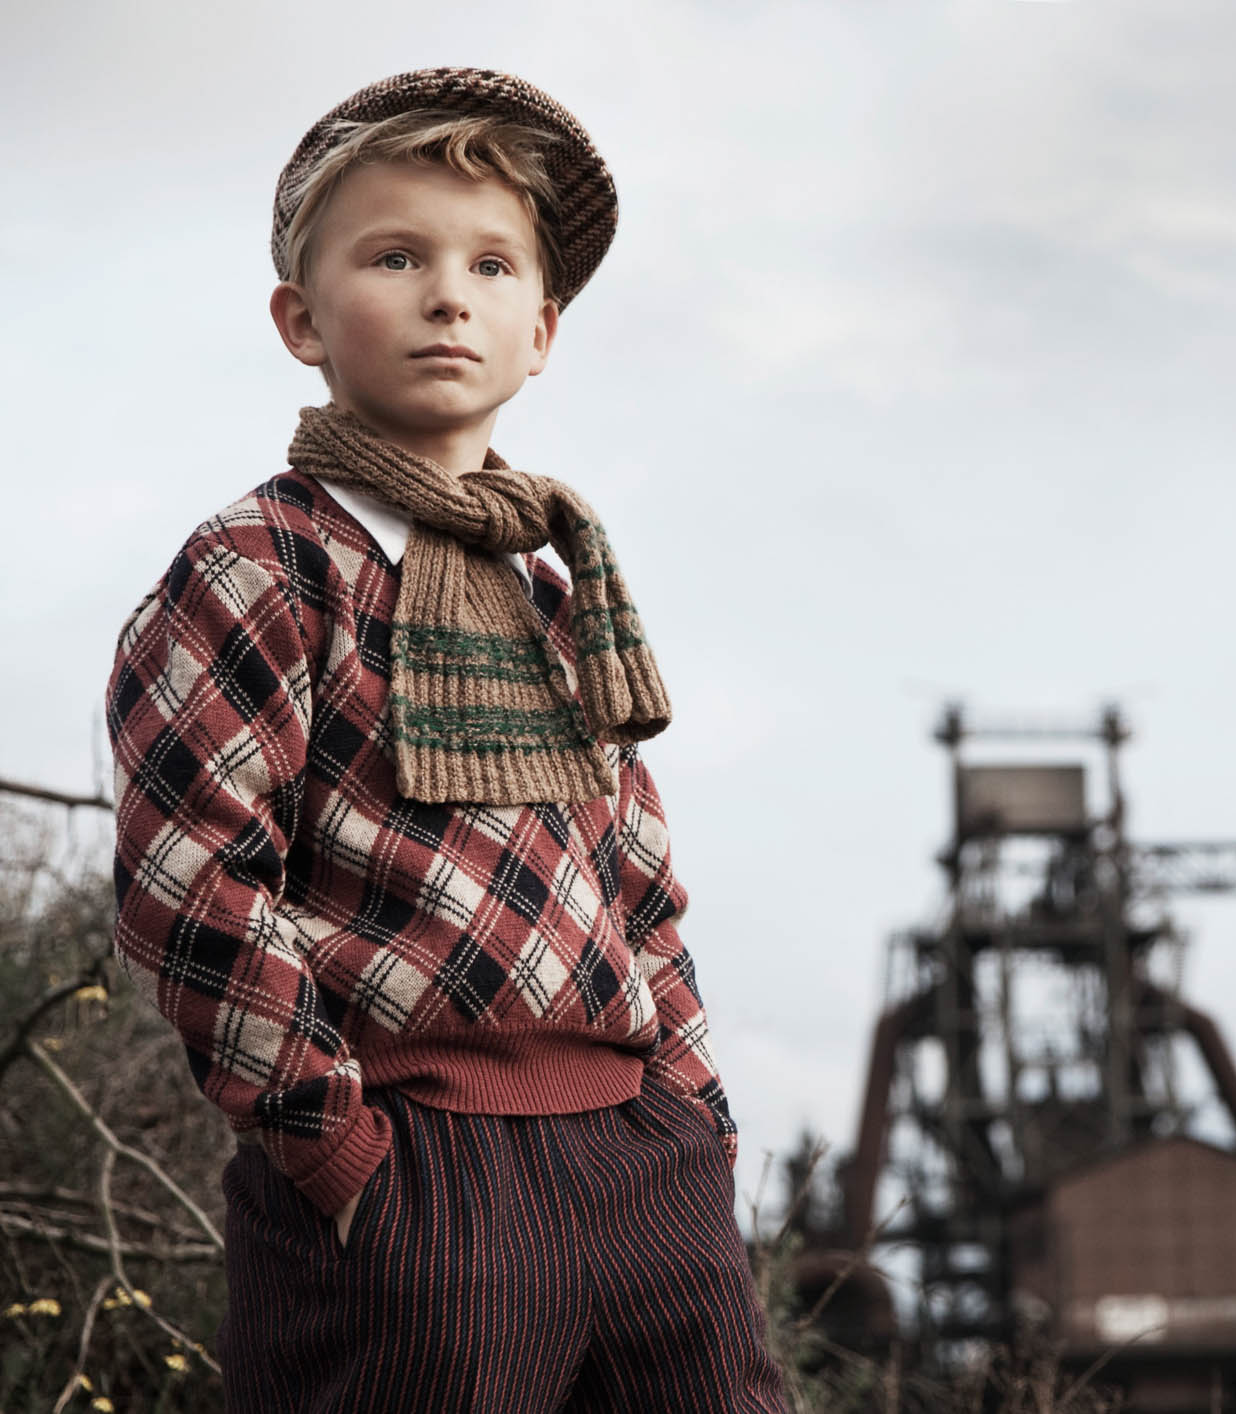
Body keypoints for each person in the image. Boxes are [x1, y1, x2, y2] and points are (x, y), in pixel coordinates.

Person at [104, 68, 788, 1412]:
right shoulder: (266, 562)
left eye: (489, 263)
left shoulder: (556, 593)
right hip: (420, 1168)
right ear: (302, 319)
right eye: (396, 254)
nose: (446, 294)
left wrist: (691, 1123)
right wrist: (338, 1147)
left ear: (541, 331)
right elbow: (193, 881)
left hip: (637, 1162)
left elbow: (637, 879)